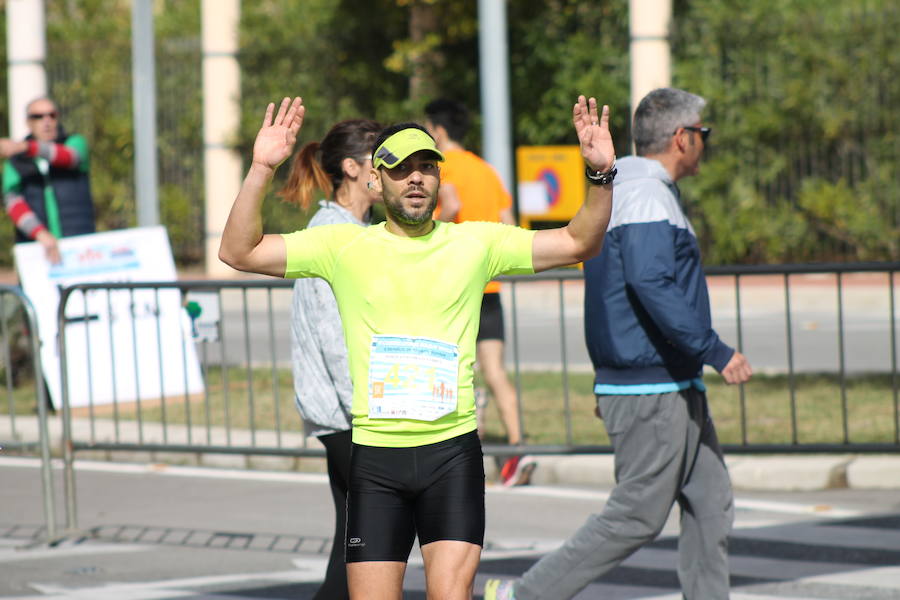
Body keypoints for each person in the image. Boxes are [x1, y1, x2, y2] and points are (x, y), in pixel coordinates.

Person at [219, 94, 616, 600]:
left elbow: (579, 242)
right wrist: (259, 168)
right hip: (376, 460)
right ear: (373, 179)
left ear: (438, 179)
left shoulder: (475, 244)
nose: (416, 178)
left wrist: (600, 175)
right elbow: (237, 251)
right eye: (400, 167)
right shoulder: (341, 247)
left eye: (427, 167)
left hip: (451, 455)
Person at [484, 88, 753, 600]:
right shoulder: (647, 194)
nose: (705, 141)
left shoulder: (625, 186)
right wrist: (715, 350)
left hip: (661, 379)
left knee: (709, 500)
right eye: (703, 133)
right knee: (637, 515)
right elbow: (652, 284)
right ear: (682, 138)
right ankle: (524, 596)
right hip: (650, 385)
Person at [280, 118, 382, 600]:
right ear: (352, 168)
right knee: (367, 538)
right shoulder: (333, 235)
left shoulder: (358, 230)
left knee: (357, 535)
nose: (392, 173)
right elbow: (333, 334)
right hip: (347, 413)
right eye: (381, 162)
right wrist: (368, 410)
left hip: (349, 411)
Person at [423, 98, 530, 487]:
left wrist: (428, 232)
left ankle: (462, 455)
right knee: (494, 371)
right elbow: (508, 221)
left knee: (457, 370)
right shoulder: (486, 169)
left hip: (457, 284)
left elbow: (450, 204)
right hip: (490, 284)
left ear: (438, 130)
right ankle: (519, 449)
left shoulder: (444, 167)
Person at [2, 97, 95, 265]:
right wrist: (40, 234)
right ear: (28, 122)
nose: (47, 121)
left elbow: (68, 157)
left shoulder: (74, 143)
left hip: (79, 246)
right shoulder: (15, 161)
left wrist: (26, 147)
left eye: (52, 115)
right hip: (36, 249)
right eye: (38, 116)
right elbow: (13, 202)